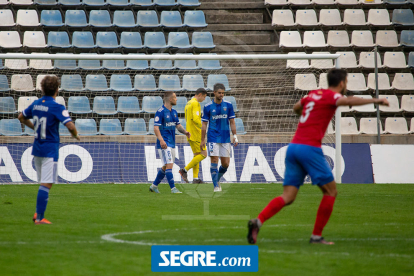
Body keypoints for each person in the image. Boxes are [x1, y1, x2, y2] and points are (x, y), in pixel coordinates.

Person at [247, 69, 389, 244]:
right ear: (342, 83)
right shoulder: (332, 96)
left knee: (288, 196)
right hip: (309, 148)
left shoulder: (314, 94)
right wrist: (376, 100)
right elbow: (349, 100)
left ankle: (258, 222)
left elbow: (296, 107)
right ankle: (316, 236)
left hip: (293, 147)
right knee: (331, 191)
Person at [18, 75, 80, 225]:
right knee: (47, 183)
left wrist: (35, 128)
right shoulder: (56, 106)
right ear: (57, 90)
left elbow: (21, 117)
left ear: (42, 89)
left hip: (37, 148)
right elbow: (70, 126)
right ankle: (39, 217)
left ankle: (38, 213)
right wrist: (75, 135)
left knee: (44, 182)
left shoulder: (36, 104)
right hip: (50, 150)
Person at [149, 92, 191, 194]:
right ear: (170, 99)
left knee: (165, 166)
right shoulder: (160, 112)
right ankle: (173, 188)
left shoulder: (174, 112)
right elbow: (156, 128)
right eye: (175, 97)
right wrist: (161, 140)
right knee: (169, 165)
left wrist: (185, 132)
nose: (176, 99)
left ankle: (154, 186)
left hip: (172, 143)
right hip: (164, 143)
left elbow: (178, 125)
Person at [200, 83, 239, 192]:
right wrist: (202, 139)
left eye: (223, 93)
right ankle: (216, 185)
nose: (221, 95)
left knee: (225, 164)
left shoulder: (228, 105)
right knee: (214, 160)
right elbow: (204, 124)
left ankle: (216, 179)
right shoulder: (208, 107)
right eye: (219, 93)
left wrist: (235, 136)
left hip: (225, 138)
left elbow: (232, 121)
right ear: (214, 93)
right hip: (213, 137)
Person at [179, 88, 208, 184]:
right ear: (200, 94)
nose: (204, 99)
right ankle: (184, 170)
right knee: (204, 154)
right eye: (204, 97)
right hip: (196, 133)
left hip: (189, 132)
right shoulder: (195, 103)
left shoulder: (188, 103)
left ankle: (195, 178)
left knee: (197, 155)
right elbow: (196, 119)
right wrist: (204, 128)